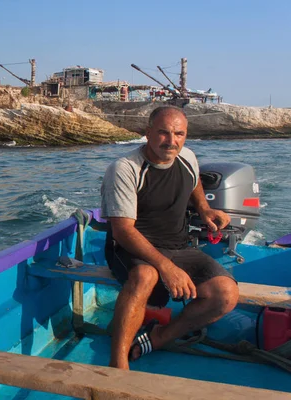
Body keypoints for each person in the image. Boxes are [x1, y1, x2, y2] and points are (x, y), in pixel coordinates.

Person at [100, 105, 238, 370]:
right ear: (147, 133)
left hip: (177, 244)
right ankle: (118, 365)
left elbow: (194, 179)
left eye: (179, 134)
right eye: (163, 133)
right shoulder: (125, 169)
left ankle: (160, 337)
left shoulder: (186, 156)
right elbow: (123, 231)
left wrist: (204, 208)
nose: (171, 141)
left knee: (225, 293)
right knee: (145, 276)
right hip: (131, 246)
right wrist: (166, 268)